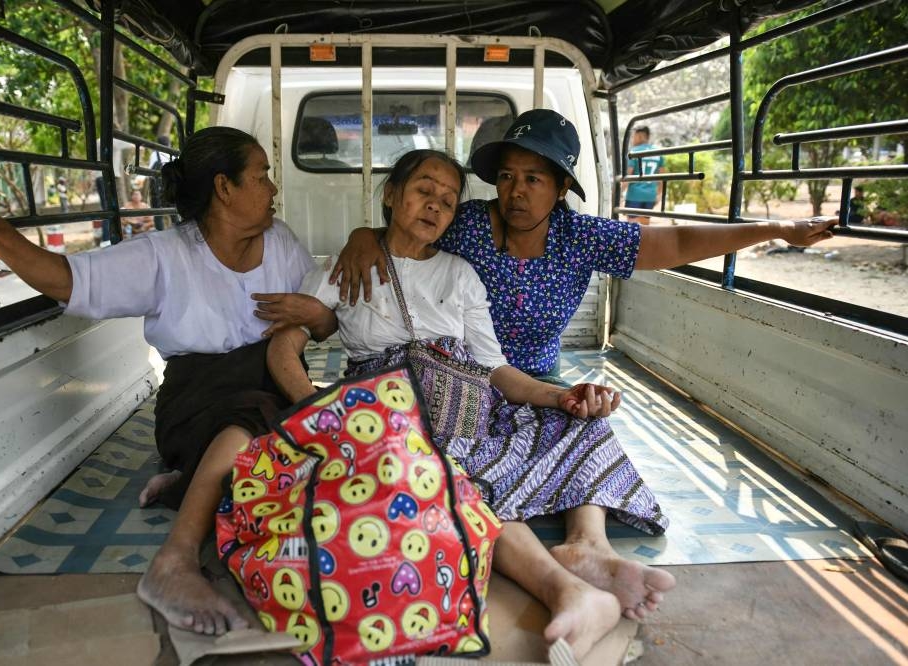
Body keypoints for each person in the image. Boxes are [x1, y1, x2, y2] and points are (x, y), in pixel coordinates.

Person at [0, 127, 335, 636]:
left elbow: (323, 325)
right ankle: (175, 561)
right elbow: (67, 279)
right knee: (251, 424)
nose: (272, 189)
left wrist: (314, 313)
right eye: (262, 176)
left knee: (301, 449)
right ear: (224, 188)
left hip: (273, 380)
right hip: (198, 397)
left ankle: (189, 481)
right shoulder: (163, 255)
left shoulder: (282, 243)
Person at [266, 149, 670, 659]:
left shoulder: (460, 274)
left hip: (469, 405)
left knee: (578, 423)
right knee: (451, 473)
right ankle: (565, 590)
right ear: (391, 195)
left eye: (449, 201)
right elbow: (285, 345)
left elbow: (494, 370)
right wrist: (320, 416)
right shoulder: (350, 264)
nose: (435, 207)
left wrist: (562, 396)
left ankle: (589, 548)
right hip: (390, 414)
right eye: (423, 191)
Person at [302, 109, 836, 386]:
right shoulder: (464, 223)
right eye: (508, 175)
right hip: (457, 378)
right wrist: (363, 235)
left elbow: (674, 240)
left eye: (535, 179)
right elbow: (408, 232)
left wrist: (774, 231)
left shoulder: (581, 238)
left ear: (561, 188)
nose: (516, 190)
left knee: (585, 435)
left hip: (534, 376)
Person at [622, 126, 665, 224]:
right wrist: (659, 194)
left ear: (641, 136)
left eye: (634, 136)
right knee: (645, 226)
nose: (633, 139)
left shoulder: (634, 151)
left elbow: (628, 175)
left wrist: (618, 193)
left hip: (634, 195)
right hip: (650, 195)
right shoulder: (658, 152)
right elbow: (662, 177)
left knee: (631, 228)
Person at [149, 135, 172, 230]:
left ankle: (160, 233)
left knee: (158, 214)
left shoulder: (154, 154)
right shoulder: (173, 154)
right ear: (168, 144)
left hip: (157, 188)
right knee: (173, 213)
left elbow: (150, 172)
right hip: (171, 187)